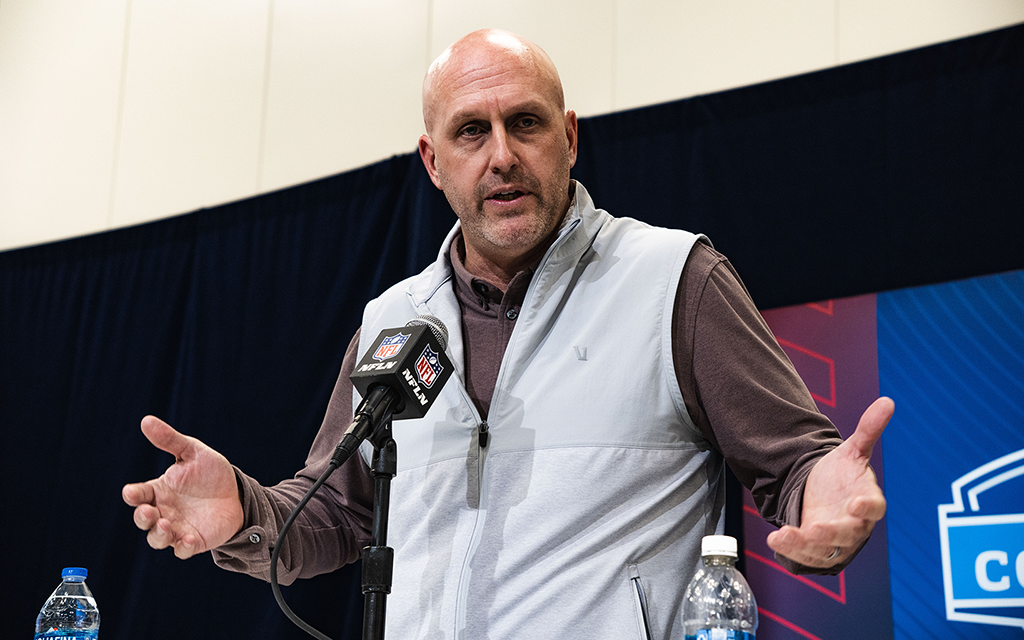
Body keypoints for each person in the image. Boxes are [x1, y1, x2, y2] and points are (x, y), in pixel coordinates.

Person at [123, 28, 892, 639]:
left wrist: (822, 494)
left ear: (569, 137)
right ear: (433, 161)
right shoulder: (392, 320)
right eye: (470, 132)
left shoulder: (673, 279)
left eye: (524, 122)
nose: (501, 155)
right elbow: (343, 511)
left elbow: (794, 466)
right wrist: (247, 515)